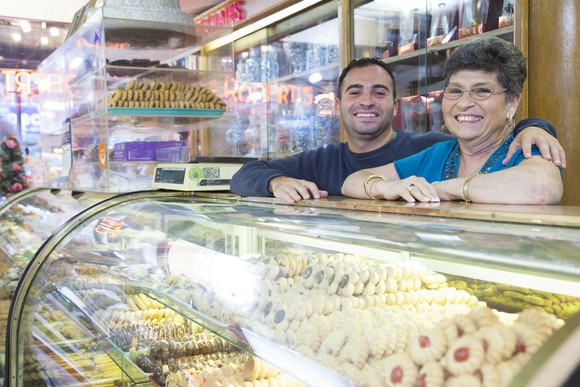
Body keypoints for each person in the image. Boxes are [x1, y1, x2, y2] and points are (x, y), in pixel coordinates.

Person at [230, 56, 566, 204]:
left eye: (378, 92)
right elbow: (245, 175)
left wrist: (533, 126)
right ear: (338, 104)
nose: (366, 101)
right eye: (354, 92)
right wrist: (277, 182)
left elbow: (536, 182)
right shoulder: (320, 160)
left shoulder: (429, 146)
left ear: (395, 104)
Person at [341, 37, 563, 205]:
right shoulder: (439, 153)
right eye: (455, 91)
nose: (464, 103)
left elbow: (541, 187)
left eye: (482, 91)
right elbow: (352, 181)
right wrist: (386, 187)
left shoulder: (526, 147)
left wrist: (446, 189)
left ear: (512, 102)